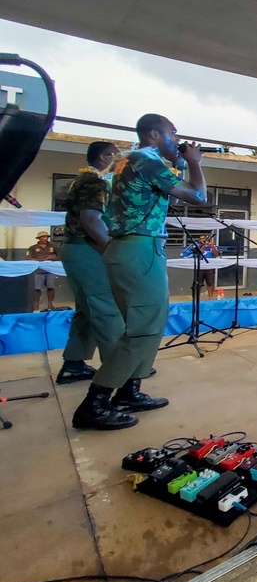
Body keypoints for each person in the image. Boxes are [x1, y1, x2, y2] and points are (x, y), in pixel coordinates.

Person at [72, 114, 208, 431]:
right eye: (173, 134)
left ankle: (130, 391)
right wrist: (196, 162)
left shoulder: (126, 161)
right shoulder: (144, 159)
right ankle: (95, 403)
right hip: (139, 248)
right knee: (144, 328)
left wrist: (181, 161)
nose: (178, 140)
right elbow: (199, 197)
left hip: (131, 248)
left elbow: (169, 186)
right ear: (154, 135)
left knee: (146, 323)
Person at [56, 141, 125, 385]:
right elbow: (91, 219)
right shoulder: (95, 181)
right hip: (86, 250)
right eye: (114, 156)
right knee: (106, 308)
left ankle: (74, 364)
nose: (117, 161)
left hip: (76, 249)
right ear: (103, 157)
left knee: (87, 310)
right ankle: (120, 369)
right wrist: (112, 249)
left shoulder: (84, 179)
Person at [27, 231, 58, 311]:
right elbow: (29, 258)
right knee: (37, 289)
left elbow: (59, 255)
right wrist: (43, 259)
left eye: (47, 237)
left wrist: (54, 258)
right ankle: (36, 305)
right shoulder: (33, 248)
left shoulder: (53, 246)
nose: (46, 238)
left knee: (50, 287)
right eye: (43, 237)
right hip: (39, 271)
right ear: (39, 238)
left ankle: (50, 304)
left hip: (50, 270)